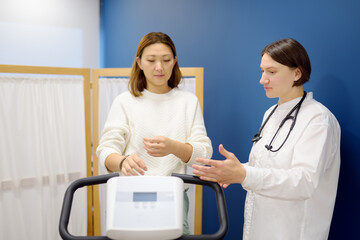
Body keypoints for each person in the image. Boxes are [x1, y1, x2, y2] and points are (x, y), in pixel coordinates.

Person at [192, 38, 340, 240]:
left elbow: (304, 181)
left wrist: (244, 174)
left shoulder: (318, 119)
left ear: (297, 73)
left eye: (271, 72)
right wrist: (229, 172)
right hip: (258, 230)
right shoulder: (271, 113)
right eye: (262, 71)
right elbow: (264, 168)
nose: (262, 79)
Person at [96, 32, 213, 234]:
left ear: (175, 62)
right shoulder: (125, 102)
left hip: (173, 196)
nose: (159, 67)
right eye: (151, 60)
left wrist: (174, 147)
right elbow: (105, 150)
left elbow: (203, 154)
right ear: (139, 62)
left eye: (166, 60)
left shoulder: (188, 101)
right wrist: (123, 162)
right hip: (129, 195)